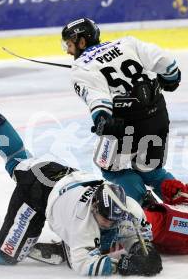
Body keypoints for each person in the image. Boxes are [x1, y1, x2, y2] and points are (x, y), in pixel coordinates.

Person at [0, 86, 162, 277]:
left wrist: (145, 250)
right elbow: (84, 266)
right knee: (6, 255)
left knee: (16, 159)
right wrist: (122, 267)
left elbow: (137, 233)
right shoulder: (82, 223)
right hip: (36, 192)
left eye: (114, 219)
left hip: (64, 176)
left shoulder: (127, 207)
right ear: (94, 207)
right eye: (106, 219)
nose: (110, 223)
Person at [61, 18, 181, 205]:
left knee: (109, 168)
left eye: (69, 45)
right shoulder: (127, 43)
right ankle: (187, 206)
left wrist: (103, 121)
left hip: (127, 125)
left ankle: (146, 210)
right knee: (151, 170)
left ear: (81, 41)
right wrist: (172, 78)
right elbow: (167, 62)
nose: (68, 51)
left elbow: (98, 102)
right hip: (158, 116)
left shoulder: (81, 68)